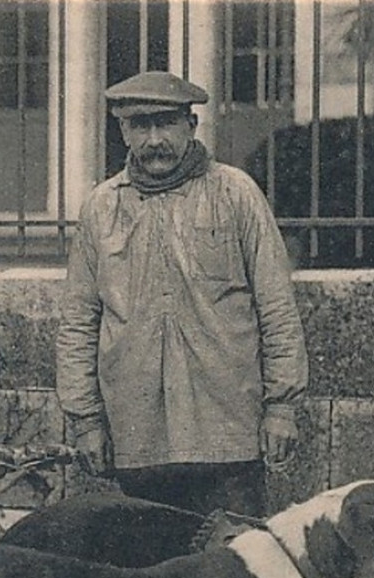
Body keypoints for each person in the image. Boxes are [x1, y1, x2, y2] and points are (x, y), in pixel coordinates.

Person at [55, 71, 308, 522]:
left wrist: (281, 409)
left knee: (235, 572)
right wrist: (86, 422)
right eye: (141, 126)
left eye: (166, 124)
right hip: (138, 438)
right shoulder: (101, 207)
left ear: (191, 126)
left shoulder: (236, 194)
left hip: (227, 435)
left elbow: (276, 308)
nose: (155, 140)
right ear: (124, 132)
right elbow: (79, 321)